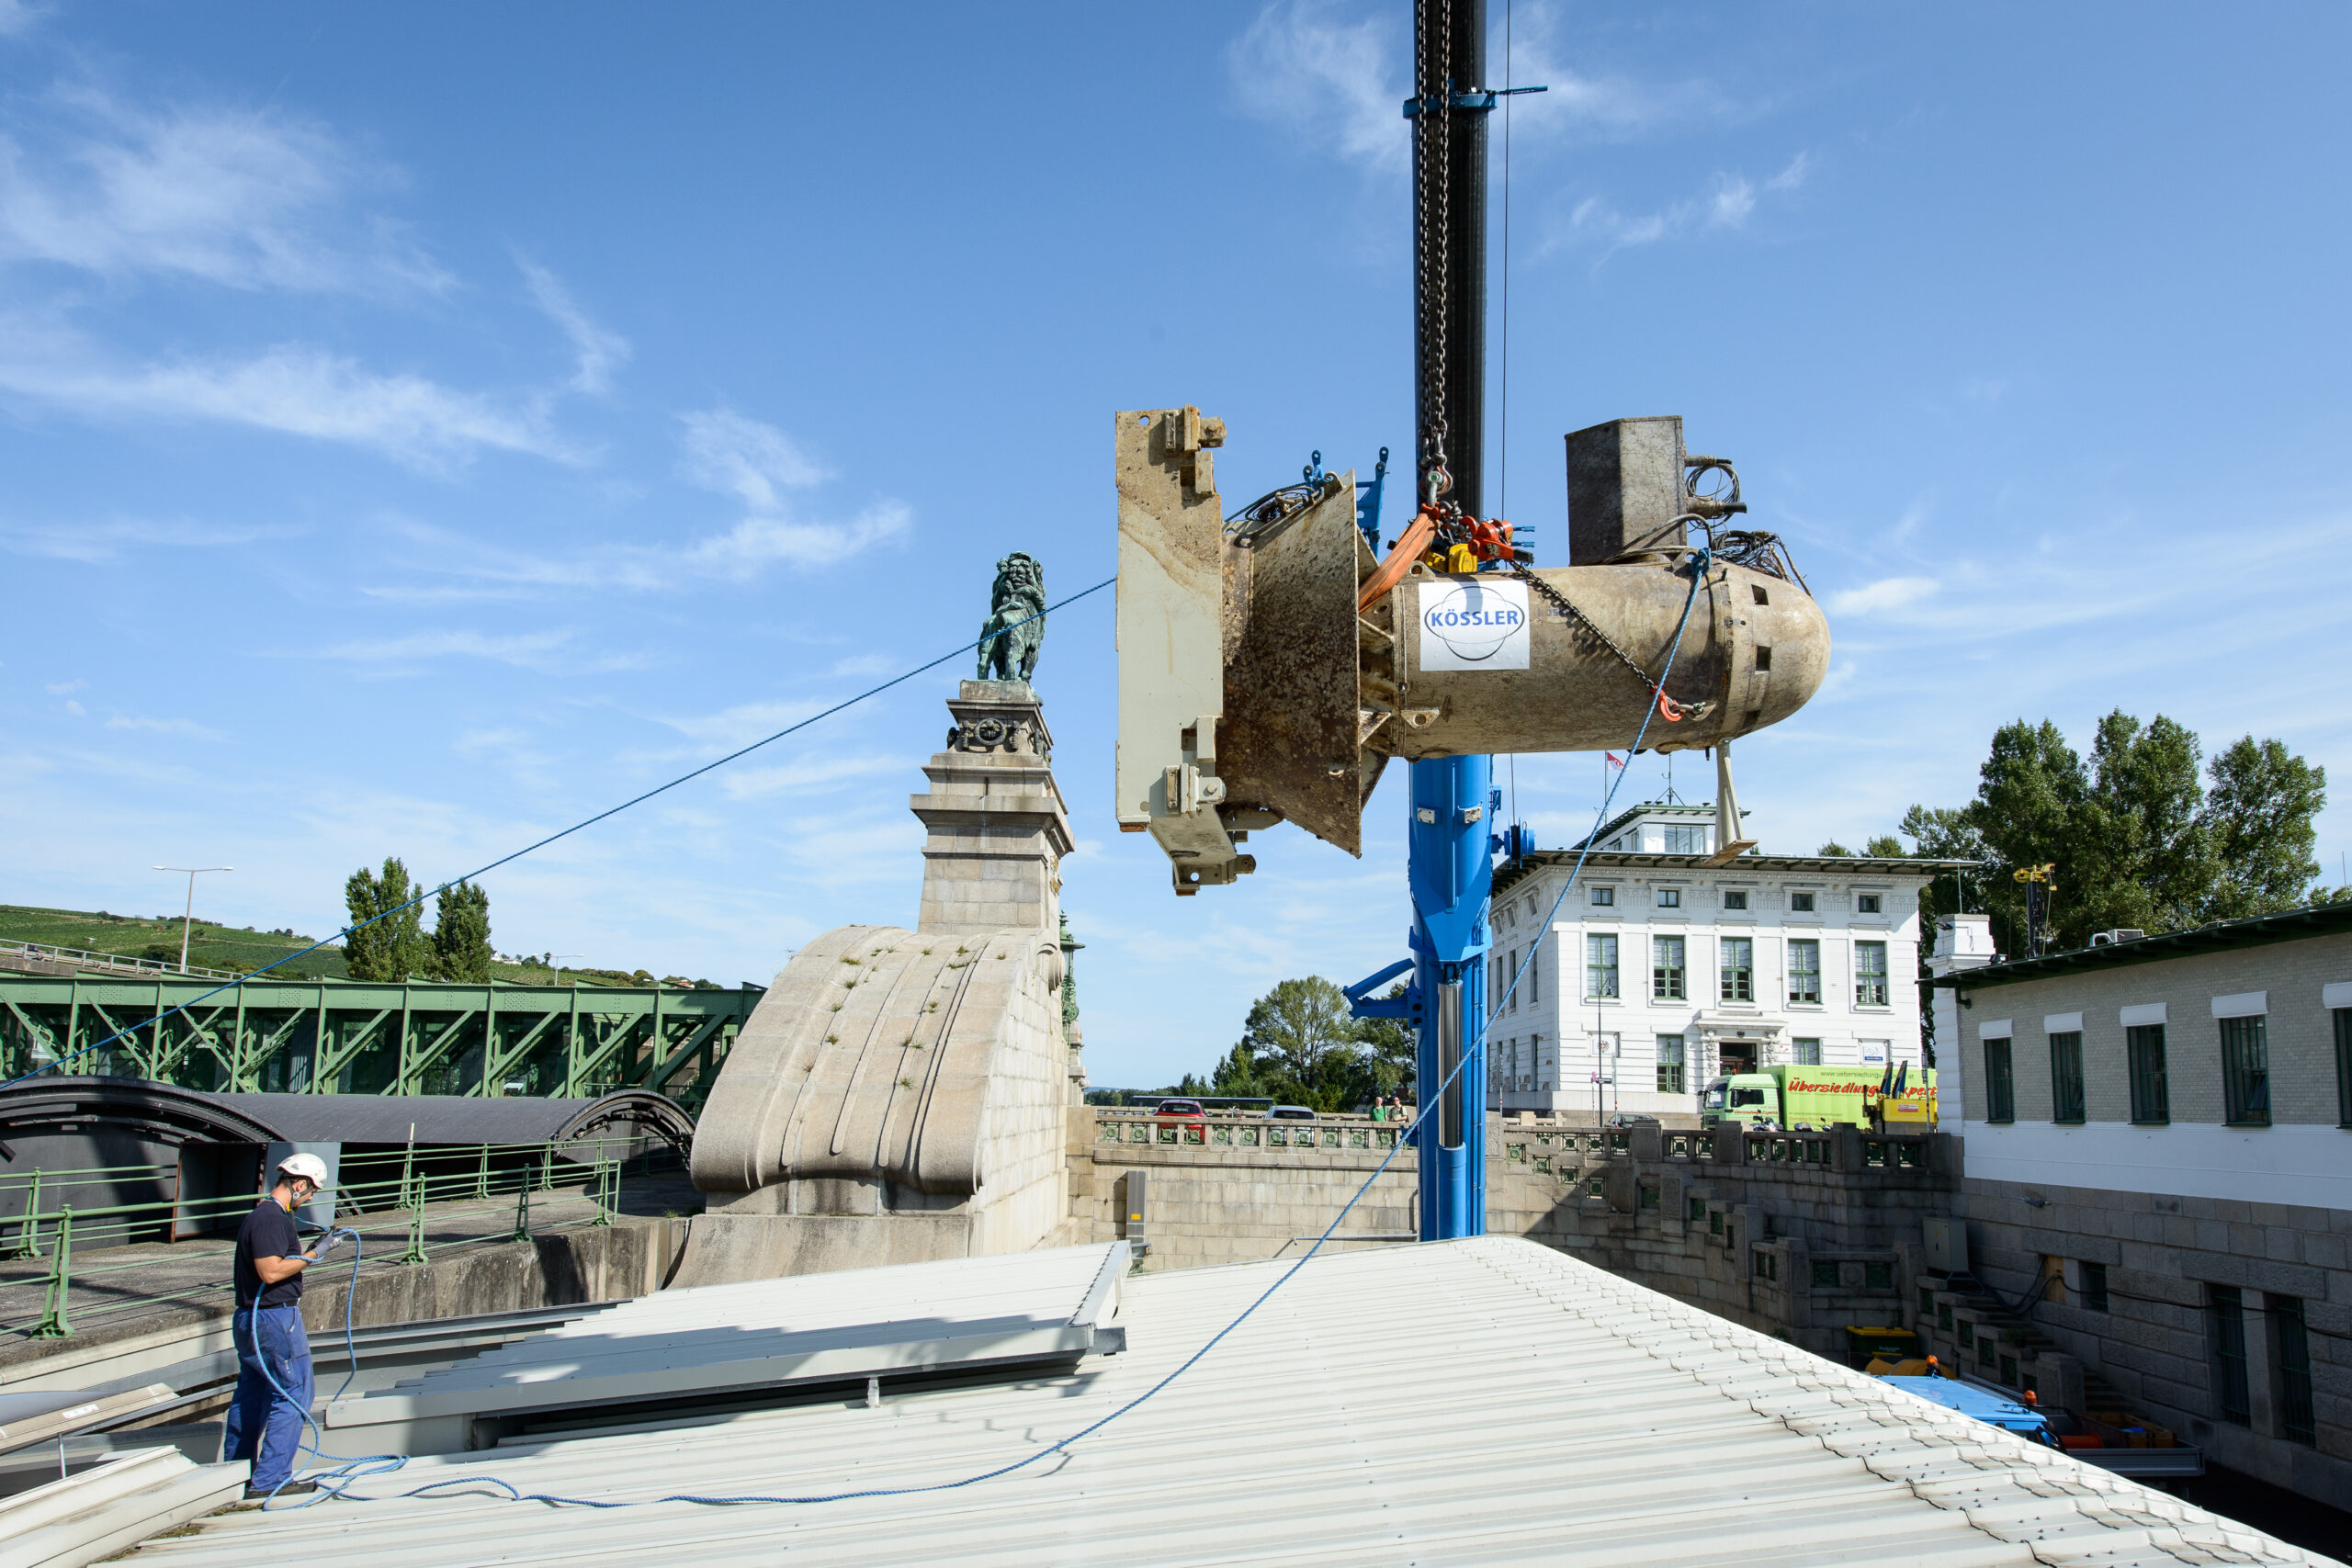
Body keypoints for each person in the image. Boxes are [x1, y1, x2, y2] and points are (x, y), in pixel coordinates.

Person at [223, 1153, 340, 1500]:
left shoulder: (263, 1216)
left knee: (252, 1395)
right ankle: (270, 1479)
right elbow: (271, 1271)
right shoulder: (271, 1219)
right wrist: (316, 1254)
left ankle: (235, 1475)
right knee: (293, 1394)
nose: (310, 1198)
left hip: (251, 1319)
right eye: (312, 1191)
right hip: (274, 1319)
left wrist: (308, 1252)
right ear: (299, 1184)